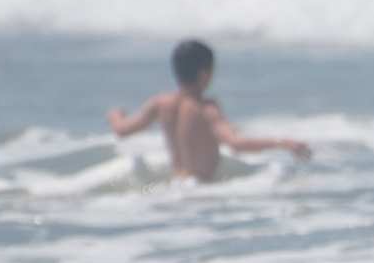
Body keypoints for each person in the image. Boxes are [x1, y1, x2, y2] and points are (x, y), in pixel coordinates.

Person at [106, 39, 311, 183]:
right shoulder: (205, 109)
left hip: (177, 186)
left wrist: (115, 114)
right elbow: (236, 143)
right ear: (205, 74)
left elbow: (122, 130)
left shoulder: (161, 104)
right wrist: (284, 143)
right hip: (203, 192)